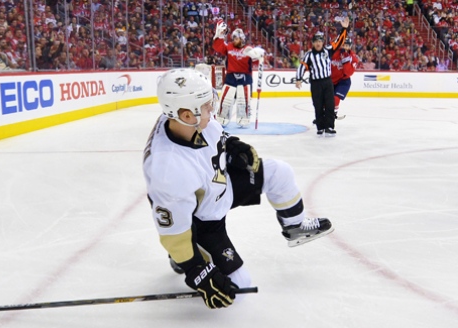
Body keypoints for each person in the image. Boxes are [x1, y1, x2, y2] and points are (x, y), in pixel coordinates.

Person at [143, 68, 334, 309]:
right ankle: (183, 259)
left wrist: (233, 147)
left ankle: (294, 227)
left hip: (219, 184)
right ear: (186, 115)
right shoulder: (169, 171)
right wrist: (198, 273)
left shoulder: (185, 118)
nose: (211, 108)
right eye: (205, 105)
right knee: (239, 287)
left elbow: (215, 133)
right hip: (204, 220)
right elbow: (174, 234)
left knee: (279, 172)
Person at [296, 17, 349, 137]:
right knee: (318, 105)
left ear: (322, 42)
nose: (318, 43)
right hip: (316, 83)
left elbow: (339, 41)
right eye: (316, 41)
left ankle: (329, 126)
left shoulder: (328, 50)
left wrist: (344, 29)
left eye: (320, 41)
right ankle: (320, 127)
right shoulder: (309, 55)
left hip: (327, 82)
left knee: (330, 104)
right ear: (313, 43)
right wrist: (298, 79)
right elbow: (302, 67)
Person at [212, 22, 265, 127]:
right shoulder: (229, 47)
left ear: (242, 39)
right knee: (226, 99)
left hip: (245, 77)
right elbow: (217, 47)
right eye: (233, 38)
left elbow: (257, 58)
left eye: (236, 38)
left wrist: (259, 55)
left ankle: (244, 118)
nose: (234, 40)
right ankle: (222, 117)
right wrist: (219, 36)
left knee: (243, 100)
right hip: (231, 76)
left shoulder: (248, 49)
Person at [330, 38, 359, 120]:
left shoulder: (353, 58)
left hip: (343, 81)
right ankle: (323, 115)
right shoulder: (334, 53)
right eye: (344, 45)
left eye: (347, 45)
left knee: (336, 98)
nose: (345, 47)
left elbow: (349, 73)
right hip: (331, 80)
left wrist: (345, 60)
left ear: (350, 47)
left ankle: (334, 113)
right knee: (326, 99)